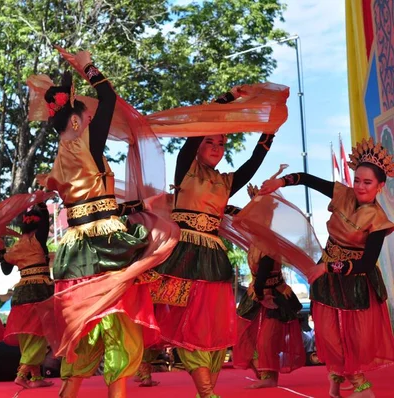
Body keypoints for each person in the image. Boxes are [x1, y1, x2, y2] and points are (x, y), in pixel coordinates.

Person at [36, 51, 156, 398]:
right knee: (116, 321)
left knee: (81, 325)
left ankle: (67, 393)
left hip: (74, 246)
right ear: (74, 121)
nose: (91, 117)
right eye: (85, 115)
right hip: (103, 242)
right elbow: (109, 97)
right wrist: (87, 65)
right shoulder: (86, 143)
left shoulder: (61, 154)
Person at [151, 90, 277, 398]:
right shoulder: (186, 169)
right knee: (187, 324)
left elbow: (254, 162)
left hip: (213, 259)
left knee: (214, 329)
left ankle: (206, 390)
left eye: (221, 144)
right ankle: (206, 392)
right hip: (182, 255)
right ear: (198, 145)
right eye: (210, 141)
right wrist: (226, 99)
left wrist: (269, 131)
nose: (217, 148)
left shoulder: (226, 182)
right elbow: (195, 134)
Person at [259, 137, 394, 398]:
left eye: (367, 183)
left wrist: (328, 267)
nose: (360, 187)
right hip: (327, 273)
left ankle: (362, 387)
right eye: (357, 180)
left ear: (379, 186)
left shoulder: (378, 220)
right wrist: (281, 181)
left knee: (351, 338)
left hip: (354, 280)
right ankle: (335, 381)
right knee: (328, 334)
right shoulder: (343, 193)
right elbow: (308, 179)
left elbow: (366, 263)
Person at [231, 185, 306, 389]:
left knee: (267, 340)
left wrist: (262, 293)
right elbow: (236, 216)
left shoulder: (268, 242)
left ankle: (270, 377)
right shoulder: (255, 240)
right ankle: (261, 371)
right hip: (256, 294)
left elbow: (264, 272)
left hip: (274, 295)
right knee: (245, 334)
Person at [0, 203, 55, 388]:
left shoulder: (15, 247)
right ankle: (22, 374)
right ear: (37, 227)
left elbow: (5, 270)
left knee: (28, 334)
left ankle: (36, 377)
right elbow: (45, 225)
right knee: (40, 333)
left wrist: (0, 254)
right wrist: (43, 206)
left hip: (21, 293)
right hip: (39, 290)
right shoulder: (37, 240)